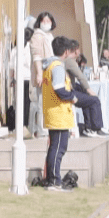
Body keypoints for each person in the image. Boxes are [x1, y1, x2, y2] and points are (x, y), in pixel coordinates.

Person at [41, 37, 77, 192]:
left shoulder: (49, 65)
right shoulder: (58, 67)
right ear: (67, 51)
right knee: (58, 148)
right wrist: (71, 96)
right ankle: (55, 181)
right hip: (59, 113)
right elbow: (59, 88)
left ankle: (51, 178)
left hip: (53, 112)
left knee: (54, 147)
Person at [62, 39, 105, 137]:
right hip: (69, 92)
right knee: (94, 100)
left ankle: (89, 127)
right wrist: (89, 90)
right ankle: (96, 128)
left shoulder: (66, 60)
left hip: (67, 90)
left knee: (85, 95)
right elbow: (80, 77)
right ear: (76, 50)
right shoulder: (70, 61)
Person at [28, 12, 55, 137]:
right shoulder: (37, 36)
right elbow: (36, 56)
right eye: (44, 21)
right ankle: (42, 130)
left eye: (48, 21)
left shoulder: (49, 35)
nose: (46, 24)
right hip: (43, 72)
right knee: (41, 103)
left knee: (47, 102)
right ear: (39, 22)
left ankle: (46, 128)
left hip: (50, 72)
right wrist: (39, 73)